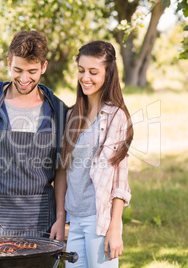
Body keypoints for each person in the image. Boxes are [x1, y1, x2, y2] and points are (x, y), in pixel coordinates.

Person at [0, 30, 67, 238]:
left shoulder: (58, 111)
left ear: (44, 67)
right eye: (18, 70)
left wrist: (61, 218)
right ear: (8, 63)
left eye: (32, 71)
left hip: (41, 220)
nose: (24, 78)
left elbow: (62, 169)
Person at [50, 41, 134, 267]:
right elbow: (62, 171)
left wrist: (114, 227)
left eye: (93, 72)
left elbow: (119, 179)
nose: (85, 77)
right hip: (74, 220)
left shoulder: (115, 117)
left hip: (100, 220)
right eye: (81, 70)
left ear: (108, 74)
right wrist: (60, 219)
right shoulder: (71, 116)